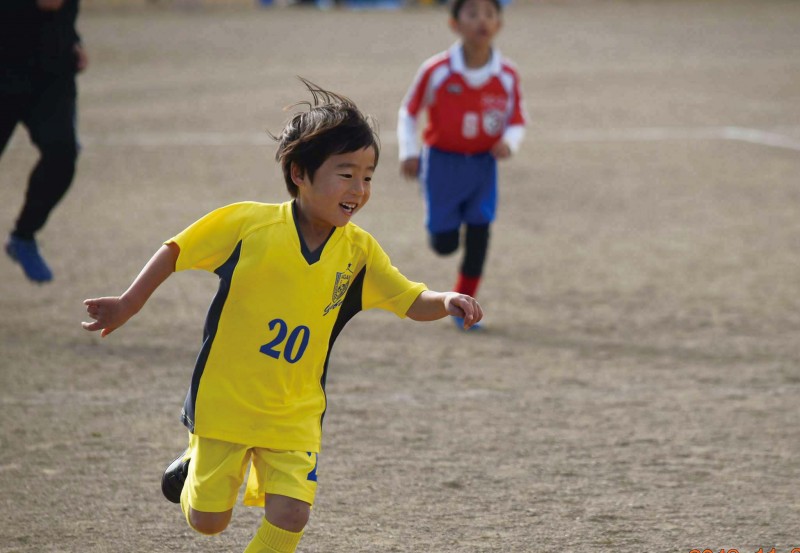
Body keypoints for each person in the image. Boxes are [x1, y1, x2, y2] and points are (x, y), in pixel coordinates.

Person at [81, 79, 482, 553]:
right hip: (226, 403)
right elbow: (177, 251)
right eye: (346, 174)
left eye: (369, 177)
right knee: (209, 522)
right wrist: (128, 303)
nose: (359, 189)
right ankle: (191, 468)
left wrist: (445, 299)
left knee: (293, 513)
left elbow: (408, 299)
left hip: (296, 410)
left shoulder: (359, 252)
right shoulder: (249, 225)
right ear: (299, 173)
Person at [397, 0, 526, 329]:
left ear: (498, 24)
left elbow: (516, 120)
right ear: (454, 24)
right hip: (441, 164)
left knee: (480, 232)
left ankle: (464, 308)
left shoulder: (507, 74)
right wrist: (409, 152)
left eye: (489, 14)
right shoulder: (437, 70)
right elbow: (409, 112)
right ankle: (441, 223)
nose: (482, 20)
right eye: (472, 13)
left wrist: (509, 143)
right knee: (445, 244)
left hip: (483, 166)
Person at [1, 0, 88, 283]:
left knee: (62, 154)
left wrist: (72, 37)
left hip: (51, 71)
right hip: (5, 66)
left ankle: (23, 236)